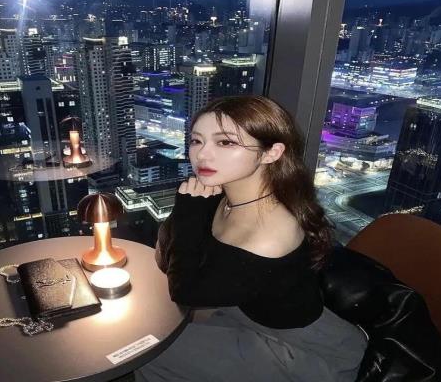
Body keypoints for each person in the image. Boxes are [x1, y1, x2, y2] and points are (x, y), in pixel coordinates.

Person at [135, 96, 367, 382]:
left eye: (225, 142)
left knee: (148, 351)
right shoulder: (226, 196)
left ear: (271, 153)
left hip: (297, 350)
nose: (202, 154)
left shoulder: (269, 235)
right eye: (196, 140)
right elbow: (165, 255)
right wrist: (191, 212)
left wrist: (188, 212)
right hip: (245, 314)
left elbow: (184, 290)